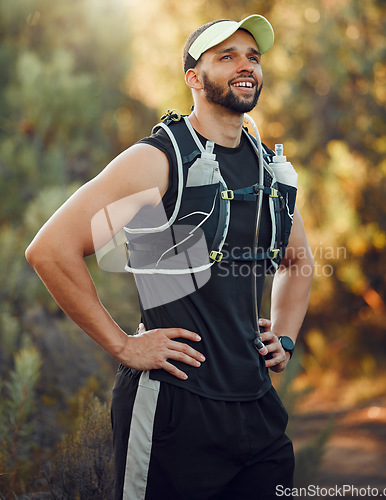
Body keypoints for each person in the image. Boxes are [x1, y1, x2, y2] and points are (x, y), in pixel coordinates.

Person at [26, 14, 314, 500]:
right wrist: (123, 345)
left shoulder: (271, 169)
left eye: (253, 57)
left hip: (257, 412)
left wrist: (283, 336)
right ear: (193, 78)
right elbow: (51, 250)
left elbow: (298, 262)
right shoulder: (160, 158)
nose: (246, 66)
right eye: (227, 56)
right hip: (173, 409)